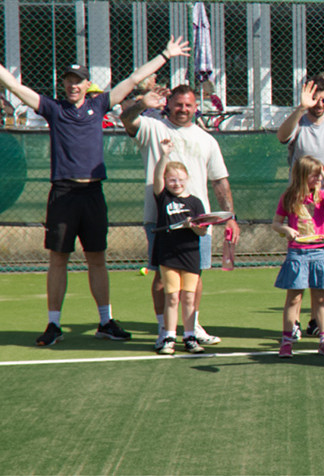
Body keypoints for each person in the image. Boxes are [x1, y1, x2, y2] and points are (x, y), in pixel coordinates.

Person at [3, 37, 189, 348]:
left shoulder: (99, 104)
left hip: (92, 194)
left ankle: (105, 322)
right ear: (64, 84)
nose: (73, 85)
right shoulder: (53, 108)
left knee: (97, 258)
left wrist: (165, 55)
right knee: (58, 259)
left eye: (78, 81)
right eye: (68, 80)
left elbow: (133, 79)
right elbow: (14, 85)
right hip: (63, 194)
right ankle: (54, 324)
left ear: (87, 84)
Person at [121, 83, 234, 351]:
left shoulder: (207, 140)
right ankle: (164, 330)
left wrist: (230, 216)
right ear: (169, 104)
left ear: (196, 107)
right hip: (161, 221)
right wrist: (142, 104)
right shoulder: (152, 128)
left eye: (188, 105)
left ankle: (192, 328)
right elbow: (126, 118)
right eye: (178, 104)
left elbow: (220, 181)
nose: (183, 109)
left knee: (196, 275)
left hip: (198, 224)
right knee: (162, 278)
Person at [276, 76, 324, 339]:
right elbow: (281, 137)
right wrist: (301, 107)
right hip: (299, 205)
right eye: (315, 100)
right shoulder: (299, 122)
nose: (320, 105)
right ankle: (294, 325)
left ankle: (316, 323)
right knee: (299, 264)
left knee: (321, 263)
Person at [272, 155, 324, 359]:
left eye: (320, 175)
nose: (319, 178)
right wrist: (286, 229)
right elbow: (276, 223)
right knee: (294, 298)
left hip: (319, 252)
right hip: (297, 253)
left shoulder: (322, 195)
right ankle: (287, 341)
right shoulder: (288, 197)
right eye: (315, 175)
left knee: (320, 297)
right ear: (302, 176)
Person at [149, 144, 207, 355]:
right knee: (172, 297)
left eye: (180, 180)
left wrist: (194, 226)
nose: (177, 183)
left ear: (187, 179)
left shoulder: (196, 203)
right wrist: (164, 155)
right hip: (168, 256)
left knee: (189, 298)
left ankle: (190, 337)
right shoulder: (164, 198)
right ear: (166, 181)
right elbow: (157, 177)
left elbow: (202, 232)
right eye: (172, 180)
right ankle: (169, 337)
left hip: (190, 256)